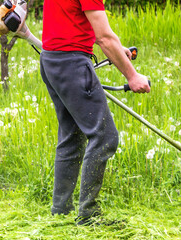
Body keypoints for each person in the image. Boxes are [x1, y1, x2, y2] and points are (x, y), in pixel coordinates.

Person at [40, 0, 150, 225]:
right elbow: (104, 38)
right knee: (105, 137)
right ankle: (88, 214)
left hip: (52, 60)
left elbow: (92, 29)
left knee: (71, 136)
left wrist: (118, 50)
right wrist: (132, 76)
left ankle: (60, 211)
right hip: (71, 63)